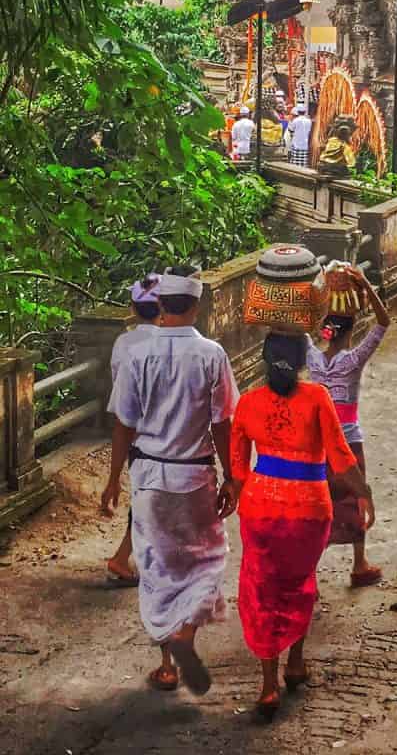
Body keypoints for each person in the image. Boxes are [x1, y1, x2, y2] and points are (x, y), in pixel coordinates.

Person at [101, 267, 240, 696]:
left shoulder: (136, 353)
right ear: (197, 306)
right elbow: (222, 422)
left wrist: (112, 481)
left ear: (160, 305)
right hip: (195, 474)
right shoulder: (212, 354)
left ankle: (166, 665)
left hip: (149, 474)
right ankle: (184, 636)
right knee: (203, 561)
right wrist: (232, 475)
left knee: (158, 566)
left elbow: (124, 423)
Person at [232, 332, 373, 718]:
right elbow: (341, 457)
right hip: (309, 507)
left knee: (262, 589)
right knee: (300, 582)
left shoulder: (247, 404)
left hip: (260, 506)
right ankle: (296, 662)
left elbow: (239, 469)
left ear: (262, 358)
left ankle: (266, 686)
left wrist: (232, 496)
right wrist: (364, 493)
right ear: (302, 363)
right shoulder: (317, 399)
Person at [306, 268, 389, 588]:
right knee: (355, 496)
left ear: (325, 331)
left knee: (319, 502)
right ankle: (359, 563)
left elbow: (303, 326)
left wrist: (317, 291)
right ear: (351, 331)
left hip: (317, 442)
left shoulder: (312, 357)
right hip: (348, 439)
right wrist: (366, 284)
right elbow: (383, 323)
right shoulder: (353, 360)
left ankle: (309, 572)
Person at [105, 274, 162, 587]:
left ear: (132, 307)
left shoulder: (123, 343)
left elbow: (119, 386)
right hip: (162, 433)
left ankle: (134, 554)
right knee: (150, 498)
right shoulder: (172, 343)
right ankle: (121, 556)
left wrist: (113, 476)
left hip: (134, 430)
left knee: (147, 495)